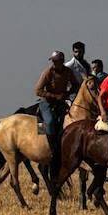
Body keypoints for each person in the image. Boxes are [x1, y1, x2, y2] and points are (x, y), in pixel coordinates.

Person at [34, 50, 79, 179]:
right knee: (49, 123)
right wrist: (53, 95)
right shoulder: (48, 72)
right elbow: (37, 90)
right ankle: (53, 149)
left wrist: (67, 93)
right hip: (47, 103)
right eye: (52, 61)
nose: (53, 63)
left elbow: (76, 85)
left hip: (61, 102)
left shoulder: (68, 72)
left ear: (61, 62)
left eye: (55, 61)